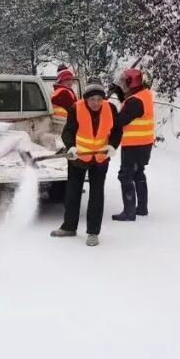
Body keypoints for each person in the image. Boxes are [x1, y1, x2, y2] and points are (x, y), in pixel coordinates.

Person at [51, 78, 122, 246]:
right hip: (79, 157)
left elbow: (117, 130)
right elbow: (68, 132)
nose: (96, 103)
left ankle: (93, 232)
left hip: (100, 157)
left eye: (99, 99)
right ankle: (69, 227)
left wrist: (112, 146)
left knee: (97, 195)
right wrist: (71, 147)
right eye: (92, 99)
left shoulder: (111, 108)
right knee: (72, 193)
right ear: (86, 98)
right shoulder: (76, 108)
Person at [112, 68, 155, 221]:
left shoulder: (134, 101)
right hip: (144, 143)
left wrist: (109, 111)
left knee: (125, 175)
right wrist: (120, 94)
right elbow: (128, 107)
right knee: (138, 173)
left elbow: (120, 120)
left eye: (124, 82)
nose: (122, 85)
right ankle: (142, 208)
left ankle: (129, 212)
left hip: (133, 144)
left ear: (131, 83)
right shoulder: (144, 95)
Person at [48, 67, 78, 203]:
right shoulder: (64, 93)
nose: (70, 82)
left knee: (61, 160)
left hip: (59, 127)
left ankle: (56, 191)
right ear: (61, 81)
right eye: (67, 80)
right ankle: (60, 193)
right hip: (63, 128)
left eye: (71, 79)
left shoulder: (58, 92)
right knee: (66, 162)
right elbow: (75, 109)